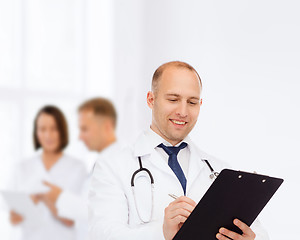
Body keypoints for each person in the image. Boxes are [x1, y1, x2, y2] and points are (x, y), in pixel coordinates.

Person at [88, 61, 269, 240]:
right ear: (151, 100)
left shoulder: (219, 170)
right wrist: (161, 234)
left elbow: (259, 233)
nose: (183, 112)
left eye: (192, 102)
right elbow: (102, 234)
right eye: (173, 99)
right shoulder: (112, 166)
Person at [43, 98, 119, 239]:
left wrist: (60, 196)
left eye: (85, 129)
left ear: (107, 127)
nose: (80, 137)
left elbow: (98, 211)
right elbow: (84, 213)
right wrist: (55, 204)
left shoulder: (119, 162)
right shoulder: (103, 160)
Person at [10, 105, 87, 240]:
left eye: (54, 129)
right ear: (36, 132)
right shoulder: (22, 167)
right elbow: (14, 219)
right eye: (42, 129)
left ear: (62, 131)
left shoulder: (77, 168)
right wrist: (26, 207)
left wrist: (46, 198)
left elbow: (73, 220)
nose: (48, 135)